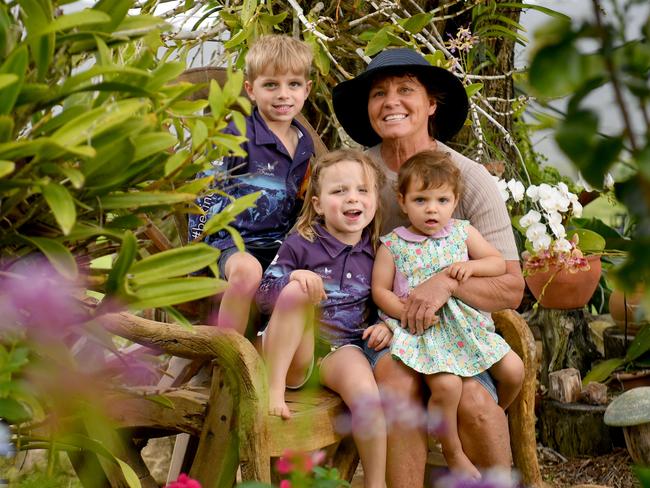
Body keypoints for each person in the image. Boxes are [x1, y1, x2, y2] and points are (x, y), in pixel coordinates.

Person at [332, 48, 526, 486]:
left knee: (475, 402)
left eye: (405, 89)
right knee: (400, 392)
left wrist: (446, 285)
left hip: (456, 333)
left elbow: (512, 287)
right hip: (383, 330)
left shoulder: (466, 179)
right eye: (379, 93)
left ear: (431, 103)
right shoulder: (356, 178)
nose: (391, 101)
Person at [372, 150, 524, 479]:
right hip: (424, 333)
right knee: (448, 387)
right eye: (421, 199)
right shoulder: (393, 244)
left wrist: (470, 266)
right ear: (402, 201)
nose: (432, 209)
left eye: (442, 200)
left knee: (514, 369)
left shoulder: (463, 233)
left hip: (465, 327)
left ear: (454, 202)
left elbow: (498, 263)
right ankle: (452, 451)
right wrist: (406, 312)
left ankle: (496, 412)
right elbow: (380, 291)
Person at [256, 149, 391, 488]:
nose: (352, 199)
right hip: (292, 350)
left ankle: (376, 483)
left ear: (375, 199)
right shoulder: (302, 243)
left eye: (362, 190)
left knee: (367, 397)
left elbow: (389, 298)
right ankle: (274, 393)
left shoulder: (379, 249)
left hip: (341, 349)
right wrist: (295, 277)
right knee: (297, 292)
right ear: (317, 204)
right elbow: (263, 295)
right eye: (339, 191)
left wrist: (386, 324)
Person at [188, 34, 315, 334]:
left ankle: (284, 357)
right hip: (230, 245)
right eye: (271, 84)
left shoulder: (304, 144)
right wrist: (195, 255)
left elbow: (300, 204)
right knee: (247, 272)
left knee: (314, 276)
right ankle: (227, 347)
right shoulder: (235, 135)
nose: (283, 94)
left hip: (279, 247)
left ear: (307, 89)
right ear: (251, 89)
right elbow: (202, 193)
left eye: (293, 84)